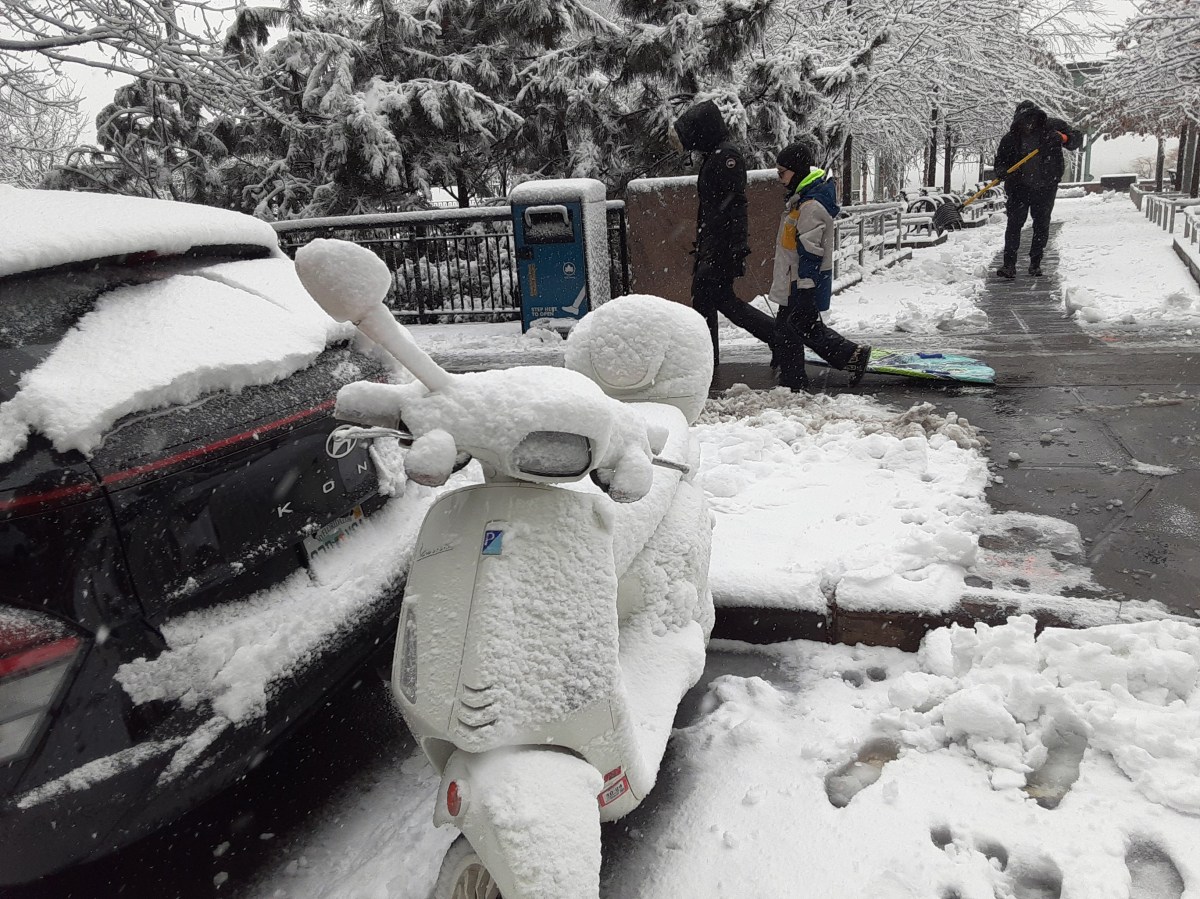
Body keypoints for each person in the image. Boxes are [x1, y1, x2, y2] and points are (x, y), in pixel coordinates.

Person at [669, 99, 776, 366]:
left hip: (721, 247)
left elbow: (734, 205)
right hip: (713, 246)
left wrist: (733, 246)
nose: (688, 144)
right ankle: (707, 359)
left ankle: (778, 336)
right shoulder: (715, 156)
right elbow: (715, 208)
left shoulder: (726, 157)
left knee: (724, 302)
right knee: (706, 301)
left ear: (703, 130)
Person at [767, 139, 871, 392]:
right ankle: (793, 376)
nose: (780, 178)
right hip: (795, 279)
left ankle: (850, 356)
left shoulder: (810, 206)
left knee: (801, 327)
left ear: (798, 171)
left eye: (783, 173)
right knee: (793, 328)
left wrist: (806, 288)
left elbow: (811, 252)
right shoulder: (802, 200)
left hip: (800, 281)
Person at [993, 100, 1083, 279]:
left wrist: (1063, 138)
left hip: (1046, 187)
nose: (1028, 125)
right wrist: (1002, 171)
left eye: (1031, 120)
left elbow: (1077, 139)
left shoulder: (1053, 128)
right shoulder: (1010, 139)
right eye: (1024, 121)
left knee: (1041, 225)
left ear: (1038, 117)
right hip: (1019, 188)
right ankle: (1009, 265)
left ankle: (1035, 263)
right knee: (1014, 225)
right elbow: (1000, 162)